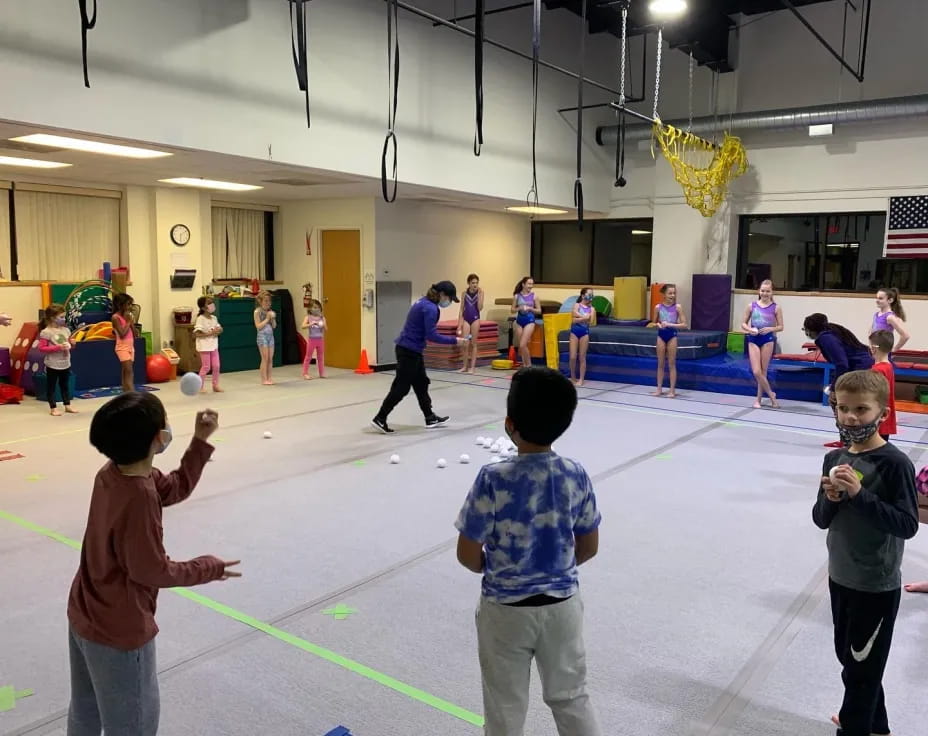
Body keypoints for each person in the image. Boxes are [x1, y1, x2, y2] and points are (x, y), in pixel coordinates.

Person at [67, 394, 241, 735]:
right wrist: (208, 567)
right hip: (119, 630)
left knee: (86, 710)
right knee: (133, 723)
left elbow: (175, 487)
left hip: (84, 613)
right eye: (164, 424)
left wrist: (199, 442)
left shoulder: (113, 472)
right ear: (157, 439)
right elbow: (152, 571)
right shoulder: (139, 498)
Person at [454, 367, 602, 736]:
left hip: (505, 611)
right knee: (570, 697)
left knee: (505, 706)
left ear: (509, 424)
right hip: (562, 607)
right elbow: (589, 545)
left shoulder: (493, 477)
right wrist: (559, 566)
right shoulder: (575, 473)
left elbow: (467, 553)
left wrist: (494, 568)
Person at [812, 370, 918, 736]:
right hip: (841, 575)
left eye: (861, 409)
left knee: (860, 670)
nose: (851, 417)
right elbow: (820, 520)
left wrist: (859, 495)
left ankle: (855, 725)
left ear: (882, 413)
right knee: (853, 659)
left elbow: (907, 524)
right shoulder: (835, 458)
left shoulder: (894, 464)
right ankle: (876, 723)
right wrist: (831, 498)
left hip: (875, 582)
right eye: (843, 409)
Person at [371, 281, 467, 434]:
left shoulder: (423, 301)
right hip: (409, 351)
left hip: (411, 350)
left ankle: (429, 417)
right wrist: (455, 341)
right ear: (442, 294)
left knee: (421, 383)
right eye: (449, 298)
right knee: (401, 388)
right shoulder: (430, 308)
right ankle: (380, 417)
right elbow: (432, 335)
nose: (449, 302)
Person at [803, 313, 874, 449]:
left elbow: (842, 364)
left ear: (810, 330)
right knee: (841, 404)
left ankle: (850, 442)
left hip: (860, 368)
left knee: (839, 404)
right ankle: (846, 440)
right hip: (859, 366)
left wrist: (835, 389)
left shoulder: (826, 338)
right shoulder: (831, 331)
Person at [741, 279, 783, 409]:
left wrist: (771, 329)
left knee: (763, 371)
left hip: (767, 340)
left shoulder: (776, 307)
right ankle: (771, 395)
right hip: (753, 339)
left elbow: (781, 327)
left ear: (772, 292)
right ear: (759, 291)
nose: (765, 293)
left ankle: (758, 400)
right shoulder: (751, 306)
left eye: (767, 291)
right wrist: (749, 329)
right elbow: (743, 324)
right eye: (762, 291)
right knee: (756, 371)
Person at [38, 303, 77, 416]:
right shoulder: (46, 332)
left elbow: (69, 345)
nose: (63, 319)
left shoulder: (66, 330)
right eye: (61, 317)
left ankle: (67, 405)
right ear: (52, 318)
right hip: (53, 364)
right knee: (51, 385)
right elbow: (42, 348)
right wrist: (58, 347)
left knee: (64, 384)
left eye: (64, 317)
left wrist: (73, 344)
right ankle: (53, 407)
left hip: (65, 362)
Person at [652, 283, 687, 398]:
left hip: (672, 335)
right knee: (660, 363)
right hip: (661, 335)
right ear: (664, 294)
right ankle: (659, 389)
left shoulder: (678, 307)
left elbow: (684, 325)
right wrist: (658, 324)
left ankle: (672, 390)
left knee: (671, 363)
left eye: (674, 293)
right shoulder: (658, 308)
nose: (673, 295)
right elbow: (653, 322)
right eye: (670, 293)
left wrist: (670, 324)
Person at [869, 330, 896, 442]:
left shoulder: (878, 369)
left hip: (877, 417)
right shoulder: (889, 366)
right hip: (885, 416)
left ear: (873, 349)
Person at [194, 296, 223, 393]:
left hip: (214, 345)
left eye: (212, 303)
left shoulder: (214, 318)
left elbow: (220, 329)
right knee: (206, 367)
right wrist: (209, 333)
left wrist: (218, 331)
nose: (212, 305)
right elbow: (197, 334)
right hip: (204, 347)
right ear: (203, 308)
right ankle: (200, 386)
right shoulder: (200, 319)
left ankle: (215, 385)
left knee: (216, 366)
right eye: (209, 303)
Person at [511, 277, 541, 368]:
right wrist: (518, 308)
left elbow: (539, 310)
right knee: (521, 346)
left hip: (530, 321)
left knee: (522, 344)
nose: (530, 286)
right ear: (523, 284)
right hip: (520, 321)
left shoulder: (534, 296)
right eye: (529, 284)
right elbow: (512, 310)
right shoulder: (517, 296)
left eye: (532, 284)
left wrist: (530, 308)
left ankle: (529, 365)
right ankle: (525, 365)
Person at [456, 274, 484, 374]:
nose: (475, 285)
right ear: (469, 283)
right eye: (473, 283)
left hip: (475, 319)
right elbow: (461, 309)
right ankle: (465, 366)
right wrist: (459, 324)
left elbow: (480, 308)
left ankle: (472, 367)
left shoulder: (480, 292)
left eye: (476, 283)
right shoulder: (464, 293)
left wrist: (480, 295)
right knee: (465, 343)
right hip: (466, 319)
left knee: (474, 343)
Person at [111, 293, 137, 394]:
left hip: (131, 346)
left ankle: (126, 391)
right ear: (119, 305)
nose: (130, 306)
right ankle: (131, 392)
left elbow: (135, 333)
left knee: (127, 372)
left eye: (131, 304)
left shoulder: (128, 317)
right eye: (128, 304)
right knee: (128, 370)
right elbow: (122, 334)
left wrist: (131, 323)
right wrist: (128, 322)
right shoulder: (115, 317)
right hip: (122, 347)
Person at [569, 288, 595, 386]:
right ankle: (572, 376)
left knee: (582, 357)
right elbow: (573, 320)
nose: (591, 297)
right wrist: (584, 317)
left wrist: (579, 317)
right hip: (574, 333)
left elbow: (591, 321)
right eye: (589, 294)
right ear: (583, 296)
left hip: (584, 333)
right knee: (572, 357)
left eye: (592, 295)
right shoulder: (577, 305)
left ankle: (581, 379)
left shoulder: (592, 309)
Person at [871, 287, 909, 353]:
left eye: (880, 298)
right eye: (876, 298)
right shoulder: (876, 314)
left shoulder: (890, 317)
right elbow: (872, 330)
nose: (877, 300)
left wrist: (894, 349)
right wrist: (871, 345)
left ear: (890, 300)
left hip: (884, 351)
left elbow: (905, 335)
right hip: (876, 350)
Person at [253, 290, 276, 385]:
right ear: (260, 301)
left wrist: (273, 318)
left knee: (270, 358)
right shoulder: (257, 312)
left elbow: (274, 326)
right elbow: (258, 326)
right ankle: (264, 379)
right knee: (265, 358)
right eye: (266, 301)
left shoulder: (270, 312)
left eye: (269, 301)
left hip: (270, 337)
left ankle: (270, 378)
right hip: (262, 337)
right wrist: (267, 318)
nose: (268, 303)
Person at [301, 299, 326, 379]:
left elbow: (326, 329)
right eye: (314, 307)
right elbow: (303, 326)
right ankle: (305, 373)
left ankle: (321, 373)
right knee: (308, 356)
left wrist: (323, 324)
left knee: (320, 357)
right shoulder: (308, 317)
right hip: (312, 340)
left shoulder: (322, 318)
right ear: (310, 308)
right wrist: (310, 324)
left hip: (320, 339)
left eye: (318, 307)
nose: (316, 309)